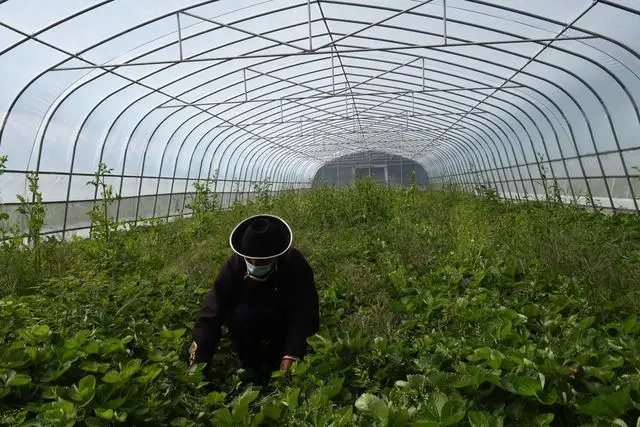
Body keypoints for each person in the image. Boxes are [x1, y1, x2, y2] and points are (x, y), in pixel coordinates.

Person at [188, 214, 320, 385]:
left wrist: (292, 352)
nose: (256, 266)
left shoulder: (295, 265)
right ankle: (252, 368)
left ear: (276, 256)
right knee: (241, 316)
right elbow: (210, 316)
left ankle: (278, 360)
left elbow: (305, 311)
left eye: (263, 262)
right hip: (249, 327)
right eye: (252, 261)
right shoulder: (233, 267)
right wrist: (197, 366)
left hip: (282, 323)